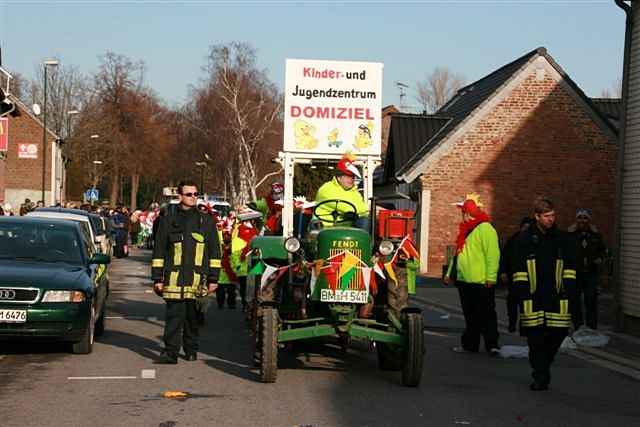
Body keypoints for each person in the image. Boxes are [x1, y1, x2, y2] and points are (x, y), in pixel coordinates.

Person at [151, 181, 221, 364]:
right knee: (174, 318)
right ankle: (170, 353)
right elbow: (159, 251)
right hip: (174, 280)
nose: (193, 197)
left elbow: (214, 252)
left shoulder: (206, 221)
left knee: (193, 319)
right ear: (180, 196)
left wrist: (214, 279)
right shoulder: (168, 220)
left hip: (198, 280)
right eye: (189, 194)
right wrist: (157, 278)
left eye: (195, 194)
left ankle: (191, 350)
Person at [511, 197, 576, 391]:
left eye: (553, 216)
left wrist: (569, 292)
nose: (550, 219)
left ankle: (544, 365)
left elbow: (571, 269)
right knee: (535, 341)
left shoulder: (562, 239)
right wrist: (523, 296)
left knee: (558, 335)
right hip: (533, 298)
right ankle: (540, 375)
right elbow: (519, 271)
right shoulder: (524, 240)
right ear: (537, 216)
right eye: (546, 216)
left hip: (557, 298)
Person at [444, 193, 500, 356]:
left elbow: (493, 255)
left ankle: (492, 345)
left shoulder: (486, 229)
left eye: (464, 213)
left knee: (487, 314)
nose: (463, 217)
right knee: (470, 316)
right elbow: (458, 254)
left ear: (470, 213)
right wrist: (449, 273)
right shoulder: (465, 230)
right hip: (465, 280)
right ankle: (470, 345)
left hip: (481, 281)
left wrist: (491, 277)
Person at [567, 208, 606, 330]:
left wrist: (600, 258)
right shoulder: (570, 234)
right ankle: (578, 326)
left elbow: (602, 250)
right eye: (580, 217)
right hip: (575, 273)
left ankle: (591, 327)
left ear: (589, 220)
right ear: (576, 219)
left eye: (585, 218)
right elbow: (563, 250)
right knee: (575, 301)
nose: (582, 220)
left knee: (590, 300)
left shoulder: (595, 235)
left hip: (590, 273)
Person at [315, 153, 369, 229]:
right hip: (325, 227)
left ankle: (365, 240)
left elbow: (363, 210)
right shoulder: (326, 189)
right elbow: (345, 207)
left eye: (353, 177)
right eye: (348, 176)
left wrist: (365, 210)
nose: (351, 179)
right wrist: (365, 209)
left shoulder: (355, 192)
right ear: (339, 177)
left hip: (347, 228)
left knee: (365, 221)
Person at [499, 217, 534, 332]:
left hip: (529, 279)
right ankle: (512, 323)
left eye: (528, 228)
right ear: (521, 227)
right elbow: (504, 257)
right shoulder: (513, 240)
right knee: (512, 302)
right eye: (524, 227)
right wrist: (503, 271)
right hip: (513, 277)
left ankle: (524, 326)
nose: (526, 230)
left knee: (526, 304)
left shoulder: (534, 241)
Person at [217, 229, 238, 309]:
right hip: (221, 275)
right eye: (225, 235)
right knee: (220, 292)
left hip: (231, 274)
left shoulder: (233, 247)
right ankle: (220, 304)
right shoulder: (220, 247)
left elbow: (236, 259)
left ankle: (231, 304)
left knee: (231, 292)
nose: (226, 237)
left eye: (228, 235)